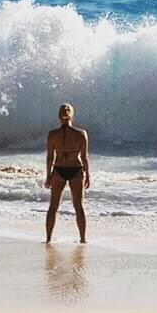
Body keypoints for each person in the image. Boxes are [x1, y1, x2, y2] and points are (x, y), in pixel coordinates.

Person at [44, 103, 91, 243]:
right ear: (72, 115)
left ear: (59, 117)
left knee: (53, 207)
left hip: (58, 170)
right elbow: (84, 157)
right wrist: (88, 174)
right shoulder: (81, 134)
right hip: (76, 170)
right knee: (79, 207)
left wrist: (48, 175)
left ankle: (48, 239)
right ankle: (83, 239)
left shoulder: (52, 135)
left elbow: (50, 157)